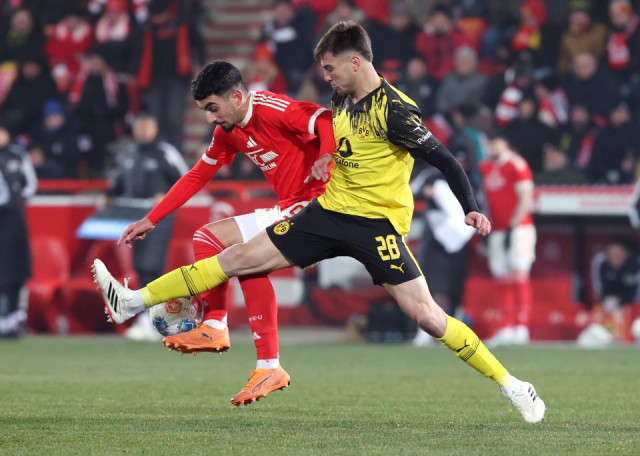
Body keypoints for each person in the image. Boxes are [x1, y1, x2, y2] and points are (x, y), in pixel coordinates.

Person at [92, 21, 546, 423]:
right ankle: (133, 302)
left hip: (377, 226)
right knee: (238, 258)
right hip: (327, 212)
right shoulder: (340, 98)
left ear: (354, 62)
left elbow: (445, 159)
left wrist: (471, 206)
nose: (325, 77)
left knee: (427, 317)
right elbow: (322, 124)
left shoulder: (395, 110)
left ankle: (512, 384)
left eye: (330, 68)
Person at [101, 61, 335, 405]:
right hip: (288, 207)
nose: (210, 118)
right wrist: (152, 218)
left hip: (317, 204)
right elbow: (196, 175)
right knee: (210, 240)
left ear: (237, 97)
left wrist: (326, 155)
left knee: (242, 257)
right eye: (204, 111)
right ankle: (234, 339)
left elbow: (325, 119)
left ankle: (158, 309)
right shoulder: (227, 132)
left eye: (213, 108)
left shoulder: (272, 108)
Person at [104, 113, 188, 341]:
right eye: (139, 126)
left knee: (152, 265)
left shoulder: (165, 153)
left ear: (154, 129)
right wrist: (107, 197)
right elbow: (116, 183)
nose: (142, 131)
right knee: (140, 267)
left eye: (146, 126)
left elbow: (187, 180)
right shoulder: (128, 153)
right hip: (132, 217)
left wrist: (165, 196)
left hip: (158, 217)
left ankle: (155, 319)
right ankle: (148, 317)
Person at [479, 132, 536, 347]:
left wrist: (513, 225)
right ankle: (505, 327)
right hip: (497, 230)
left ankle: (522, 327)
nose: (492, 147)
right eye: (489, 143)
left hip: (519, 228)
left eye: (495, 143)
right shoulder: (485, 167)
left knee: (519, 274)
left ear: (505, 143)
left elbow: (526, 198)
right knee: (501, 277)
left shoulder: (517, 165)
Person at [0, 124, 37, 338]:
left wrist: (16, 201)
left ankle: (13, 317)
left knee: (15, 267)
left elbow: (30, 184)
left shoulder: (17, 155)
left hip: (14, 221)